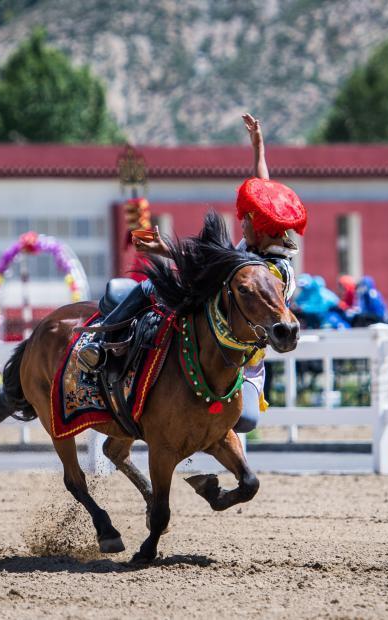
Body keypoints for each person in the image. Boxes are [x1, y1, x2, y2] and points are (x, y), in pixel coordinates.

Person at [79, 112, 306, 434]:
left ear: (261, 227)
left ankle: (99, 343)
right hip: (229, 342)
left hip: (238, 353)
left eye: (247, 219)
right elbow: (264, 192)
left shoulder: (268, 271)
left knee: (147, 289)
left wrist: (165, 250)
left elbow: (210, 268)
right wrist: (258, 147)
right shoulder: (265, 245)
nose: (241, 222)